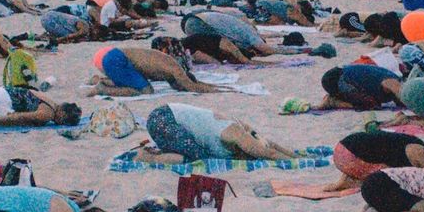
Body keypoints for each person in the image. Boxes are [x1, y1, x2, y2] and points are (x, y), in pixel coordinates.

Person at [142, 104, 299, 164]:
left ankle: (156, 152)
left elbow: (270, 145)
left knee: (201, 155)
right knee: (201, 161)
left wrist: (295, 156)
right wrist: (297, 163)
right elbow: (269, 153)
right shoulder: (238, 135)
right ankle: (147, 157)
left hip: (167, 116)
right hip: (164, 118)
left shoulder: (246, 132)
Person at [89, 42, 209, 96]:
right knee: (145, 91)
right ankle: (103, 89)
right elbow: (192, 87)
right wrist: (221, 91)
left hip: (112, 55)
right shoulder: (176, 70)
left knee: (132, 81)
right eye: (181, 85)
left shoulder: (169, 69)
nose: (179, 88)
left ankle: (100, 80)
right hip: (115, 59)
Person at [0, 83, 82, 128]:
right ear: (62, 113)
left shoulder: (50, 101)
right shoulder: (48, 114)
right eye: (64, 121)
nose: (62, 124)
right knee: (2, 122)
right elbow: (21, 117)